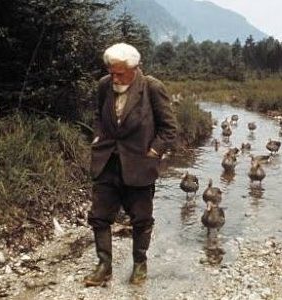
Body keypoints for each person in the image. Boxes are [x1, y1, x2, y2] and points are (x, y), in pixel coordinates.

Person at [84, 43, 177, 286]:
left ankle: (139, 265)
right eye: (111, 72)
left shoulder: (152, 88)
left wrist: (155, 150)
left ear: (134, 68)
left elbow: (169, 129)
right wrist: (97, 136)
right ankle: (104, 266)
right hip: (107, 161)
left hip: (139, 163)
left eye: (119, 73)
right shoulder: (104, 85)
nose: (114, 78)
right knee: (99, 216)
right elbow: (97, 115)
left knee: (141, 218)